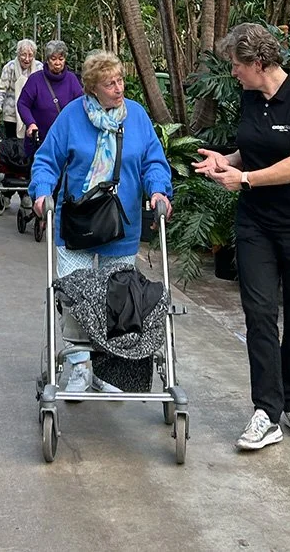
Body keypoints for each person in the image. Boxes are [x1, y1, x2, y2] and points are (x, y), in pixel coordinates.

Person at [192, 23, 290, 451]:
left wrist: (246, 178)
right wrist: (227, 160)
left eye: (237, 65)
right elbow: (253, 150)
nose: (233, 72)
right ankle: (265, 412)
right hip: (256, 224)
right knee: (258, 315)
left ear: (258, 63)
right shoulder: (251, 98)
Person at [30, 50, 173, 393]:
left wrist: (158, 190)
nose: (118, 88)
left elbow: (153, 160)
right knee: (76, 294)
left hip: (121, 226)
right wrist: (41, 193)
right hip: (77, 224)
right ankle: (80, 366)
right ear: (92, 88)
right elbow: (47, 160)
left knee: (117, 299)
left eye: (121, 80)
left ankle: (108, 370)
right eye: (110, 83)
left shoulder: (136, 116)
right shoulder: (70, 118)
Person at [17, 40, 84, 141]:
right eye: (53, 59)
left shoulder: (72, 79)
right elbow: (22, 104)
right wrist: (31, 123)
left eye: (61, 59)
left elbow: (82, 105)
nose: (57, 63)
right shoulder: (35, 79)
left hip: (65, 139)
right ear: (47, 60)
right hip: (40, 140)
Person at [0, 39, 42, 138]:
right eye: (23, 55)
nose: (27, 59)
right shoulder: (10, 67)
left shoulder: (39, 68)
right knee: (14, 149)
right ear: (18, 54)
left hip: (33, 117)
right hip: (11, 116)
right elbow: (1, 91)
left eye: (30, 55)